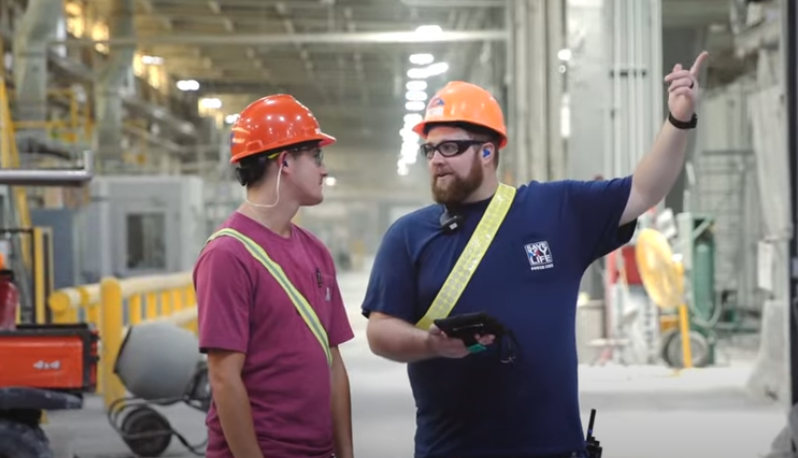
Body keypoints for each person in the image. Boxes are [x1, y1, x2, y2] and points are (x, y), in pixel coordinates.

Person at [362, 52, 709, 458]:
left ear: (487, 151)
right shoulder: (408, 236)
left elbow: (645, 190)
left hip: (553, 448)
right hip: (451, 450)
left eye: (450, 147)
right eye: (430, 149)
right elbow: (380, 331)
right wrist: (430, 345)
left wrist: (679, 119)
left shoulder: (555, 210)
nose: (437, 159)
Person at [194, 94, 355, 458]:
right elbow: (224, 377)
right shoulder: (228, 255)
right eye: (316, 156)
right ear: (285, 161)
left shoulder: (316, 251)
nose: (324, 170)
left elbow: (332, 362)